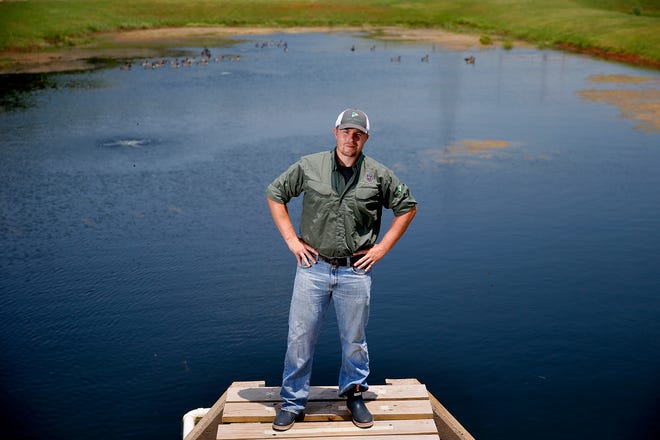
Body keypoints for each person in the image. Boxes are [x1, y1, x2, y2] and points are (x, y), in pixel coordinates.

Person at [266, 108, 417, 431]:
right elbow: (275, 194)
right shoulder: (309, 166)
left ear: (366, 138)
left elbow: (408, 207)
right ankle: (293, 402)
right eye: (346, 131)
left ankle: (354, 395)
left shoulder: (377, 174)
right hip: (312, 267)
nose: (352, 137)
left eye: (358, 133)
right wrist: (292, 240)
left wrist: (381, 249)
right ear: (335, 132)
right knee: (300, 338)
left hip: (355, 272)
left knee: (355, 340)